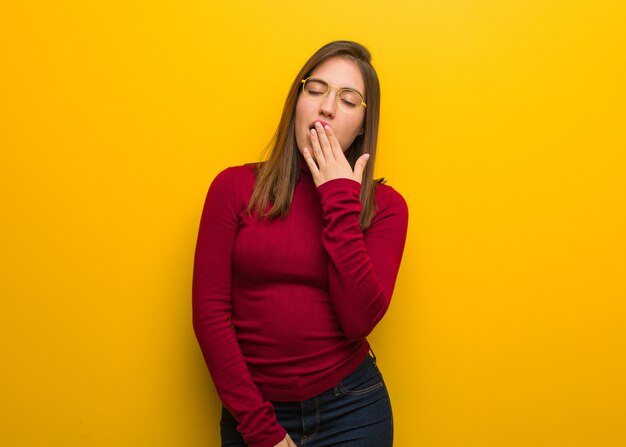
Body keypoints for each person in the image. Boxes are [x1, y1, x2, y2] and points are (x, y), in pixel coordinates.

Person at [192, 40, 408, 447]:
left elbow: (359, 321)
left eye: (348, 100)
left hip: (353, 411)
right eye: (316, 90)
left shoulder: (387, 208)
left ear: (363, 124)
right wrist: (260, 429)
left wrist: (339, 198)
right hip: (253, 414)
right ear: (297, 101)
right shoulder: (233, 188)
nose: (327, 107)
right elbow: (210, 316)